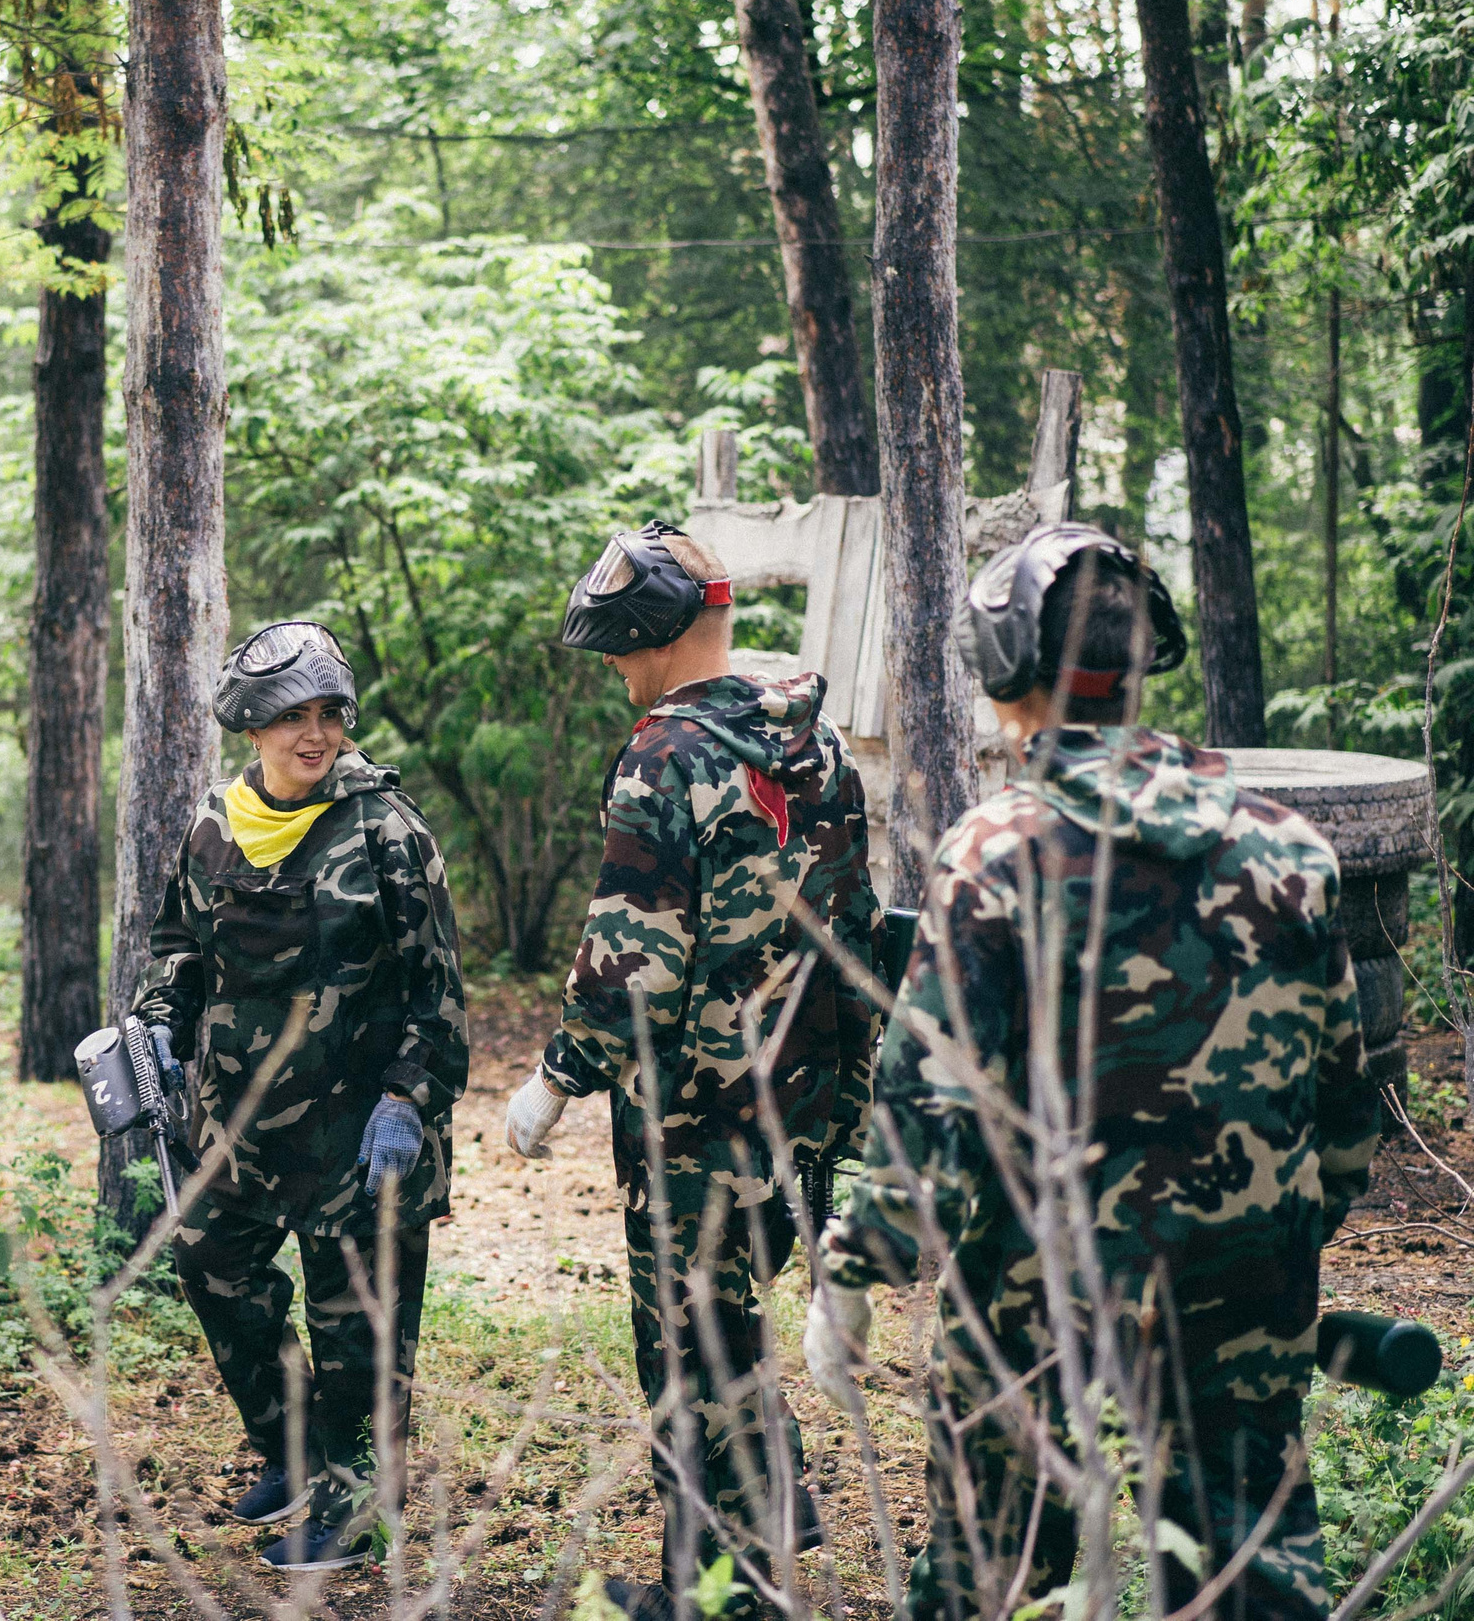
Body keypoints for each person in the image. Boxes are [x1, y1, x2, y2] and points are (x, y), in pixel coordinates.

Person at [806, 524, 1380, 1621]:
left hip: (1035, 1310)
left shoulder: (998, 854)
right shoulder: (1291, 851)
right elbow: (1345, 1113)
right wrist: (1263, 1249)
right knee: (1249, 1570)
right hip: (1244, 1295)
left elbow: (926, 1112)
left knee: (995, 1572)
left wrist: (855, 1270)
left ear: (1007, 665)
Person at [503, 522, 882, 1613]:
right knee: (731, 1324)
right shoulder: (813, 741)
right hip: (801, 1098)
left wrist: (556, 1080)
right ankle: (742, 1538)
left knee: (686, 1354)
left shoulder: (665, 756)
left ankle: (722, 1593)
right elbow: (855, 926)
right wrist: (846, 1098)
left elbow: (632, 965)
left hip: (696, 1119)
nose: (616, 670)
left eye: (620, 648)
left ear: (659, 635)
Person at [126, 619, 469, 1573]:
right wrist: (159, 1019)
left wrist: (408, 1099)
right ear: (252, 725)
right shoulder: (215, 822)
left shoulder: (388, 830)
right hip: (237, 1126)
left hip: (361, 1133)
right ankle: (297, 1451)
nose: (314, 734)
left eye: (328, 714)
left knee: (357, 1330)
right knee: (211, 1268)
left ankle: (356, 1511)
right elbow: (178, 947)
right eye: (291, 717)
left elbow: (438, 992)